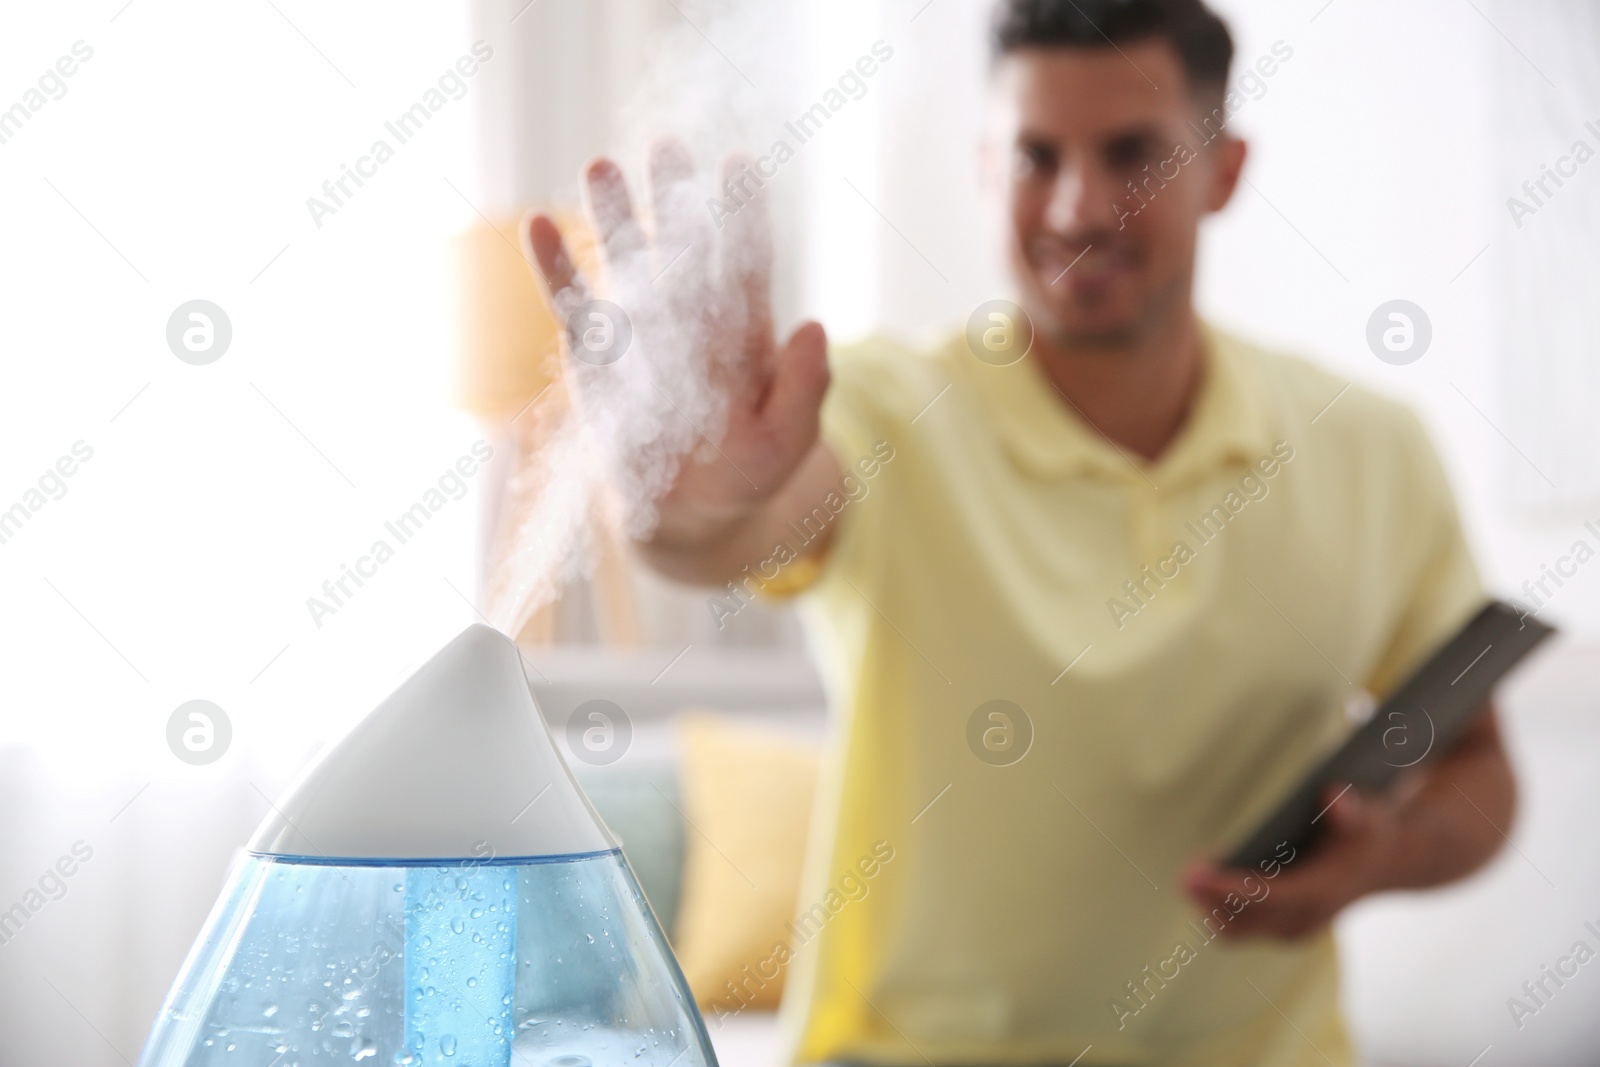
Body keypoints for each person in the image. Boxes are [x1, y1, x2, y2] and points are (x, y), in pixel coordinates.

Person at [523, 0, 1516, 1062]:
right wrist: (696, 506)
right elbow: (746, 524)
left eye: (1130, 152)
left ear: (1222, 170)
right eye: (1037, 156)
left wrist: (1383, 856)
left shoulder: (1371, 447)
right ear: (987, 168)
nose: (1080, 203)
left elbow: (1477, 765)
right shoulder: (882, 406)